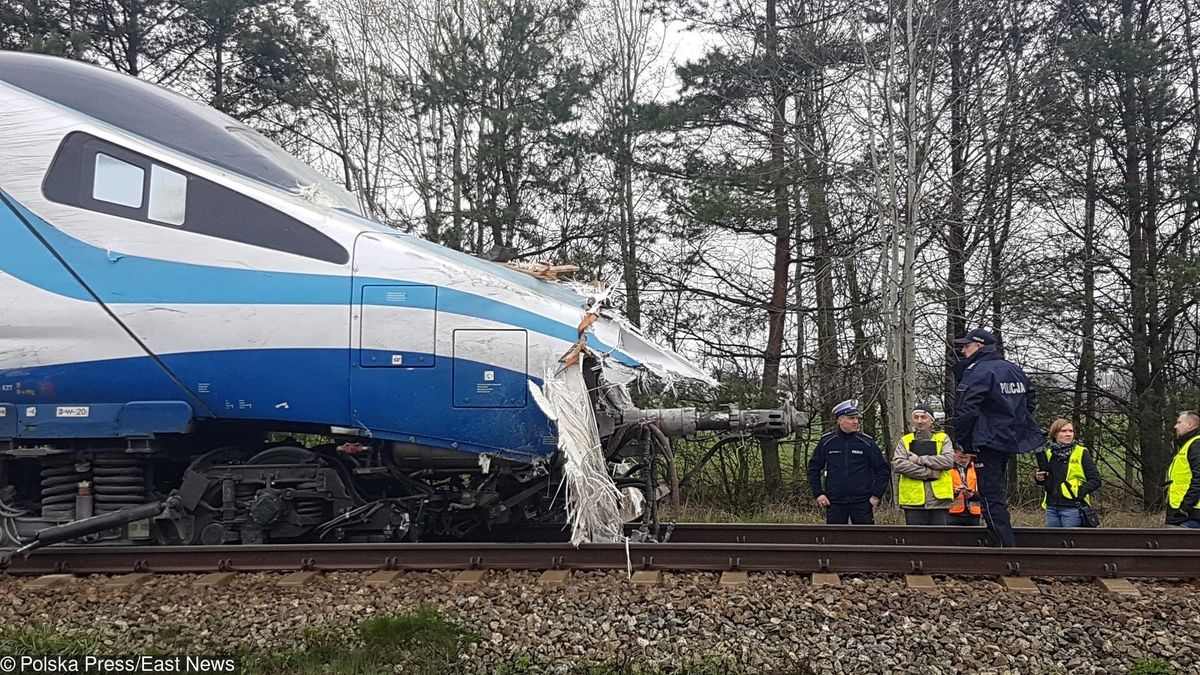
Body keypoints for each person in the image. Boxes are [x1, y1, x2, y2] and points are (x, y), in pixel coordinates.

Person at [952, 329, 1046, 547]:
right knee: (995, 492)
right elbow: (1030, 401)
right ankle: (1003, 542)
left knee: (989, 494)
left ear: (979, 347)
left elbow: (966, 411)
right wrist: (1014, 426)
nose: (963, 350)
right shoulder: (1014, 369)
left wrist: (966, 443)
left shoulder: (979, 372)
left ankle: (1004, 546)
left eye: (966, 346)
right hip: (1010, 439)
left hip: (988, 441)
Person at [808, 399, 890, 525]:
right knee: (835, 540)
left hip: (862, 502)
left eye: (857, 418)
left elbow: (883, 470)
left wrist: (876, 495)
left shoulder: (867, 443)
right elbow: (813, 468)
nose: (856, 422)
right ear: (840, 420)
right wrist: (818, 494)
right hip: (834, 502)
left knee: (865, 540)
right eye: (851, 418)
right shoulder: (827, 442)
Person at [892, 404, 957, 525]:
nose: (919, 421)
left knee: (940, 540)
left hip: (939, 501)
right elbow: (898, 464)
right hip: (913, 502)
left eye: (923, 417)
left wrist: (919, 460)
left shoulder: (943, 438)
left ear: (932, 420)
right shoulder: (905, 440)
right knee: (916, 541)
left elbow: (948, 461)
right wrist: (930, 473)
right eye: (916, 417)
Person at [1034, 418, 1101, 527]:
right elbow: (1047, 479)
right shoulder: (1049, 453)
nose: (1068, 434)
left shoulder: (1081, 452)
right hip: (1051, 507)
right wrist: (1039, 478)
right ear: (1055, 434)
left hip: (1073, 507)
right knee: (1053, 543)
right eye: (1064, 431)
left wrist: (1079, 493)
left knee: (1071, 542)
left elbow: (1096, 480)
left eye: (1071, 431)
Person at [1166, 410, 1200, 528]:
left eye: (1179, 422)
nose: (1176, 426)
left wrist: (1184, 508)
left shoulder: (1196, 445)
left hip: (1191, 514)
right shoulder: (1188, 444)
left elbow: (1198, 478)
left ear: (1190, 424)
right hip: (1187, 511)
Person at [948, 449, 981, 526]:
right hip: (953, 514)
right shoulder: (947, 469)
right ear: (954, 454)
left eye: (966, 458)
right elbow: (941, 491)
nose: (964, 460)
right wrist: (954, 493)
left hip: (974, 514)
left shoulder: (976, 469)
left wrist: (973, 495)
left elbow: (984, 491)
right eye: (961, 457)